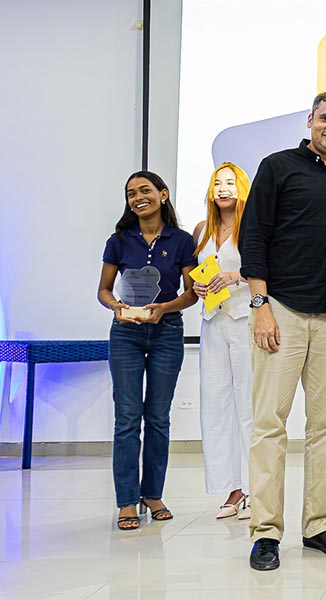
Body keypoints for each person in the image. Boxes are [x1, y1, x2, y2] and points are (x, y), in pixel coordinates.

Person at [238, 91, 326, 571]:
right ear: (310, 121)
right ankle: (266, 532)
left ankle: (318, 525)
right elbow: (254, 235)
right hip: (282, 311)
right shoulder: (277, 167)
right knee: (269, 424)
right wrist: (260, 305)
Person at [97, 171, 198, 531]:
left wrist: (164, 308)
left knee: (158, 417)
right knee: (127, 418)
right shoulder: (119, 240)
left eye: (145, 190)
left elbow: (192, 292)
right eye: (131, 194)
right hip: (126, 333)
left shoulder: (182, 240)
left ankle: (152, 495)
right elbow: (104, 290)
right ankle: (126, 500)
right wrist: (116, 306)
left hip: (167, 332)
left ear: (163, 194)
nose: (138, 197)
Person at [192, 162, 253, 520]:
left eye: (230, 183)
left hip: (245, 320)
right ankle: (233, 488)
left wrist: (235, 276)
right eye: (218, 183)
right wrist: (196, 287)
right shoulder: (202, 230)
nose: (223, 189)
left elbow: (269, 270)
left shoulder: (253, 227)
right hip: (212, 322)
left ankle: (255, 488)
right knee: (216, 404)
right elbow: (192, 277)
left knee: (249, 403)